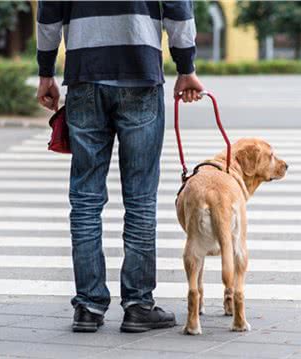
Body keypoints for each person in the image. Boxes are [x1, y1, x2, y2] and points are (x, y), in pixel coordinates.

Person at [35, 1, 204, 333]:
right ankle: (139, 305)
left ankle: (88, 305)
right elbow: (179, 11)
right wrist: (186, 67)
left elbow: (48, 17)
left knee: (85, 199)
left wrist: (45, 73)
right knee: (140, 198)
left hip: (84, 78)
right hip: (139, 76)